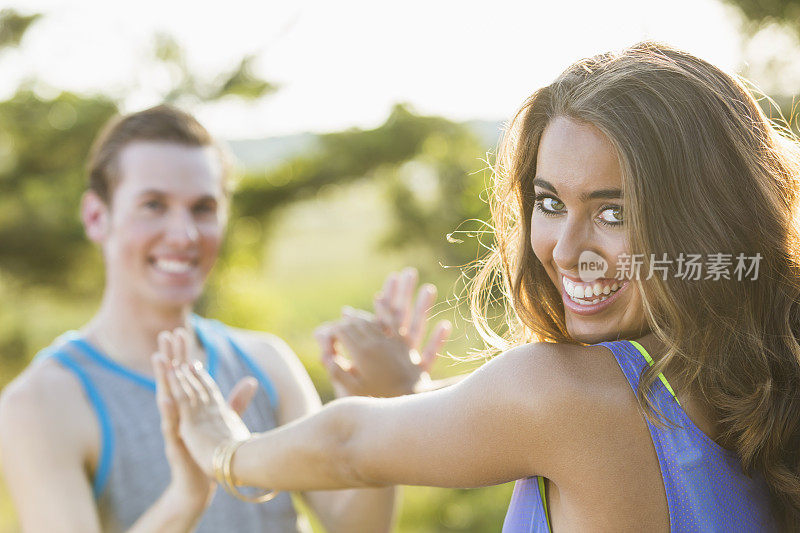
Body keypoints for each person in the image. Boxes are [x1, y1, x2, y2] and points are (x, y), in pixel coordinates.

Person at [153, 41, 800, 532]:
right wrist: (411, 396)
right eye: (549, 202)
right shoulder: (755, 380)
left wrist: (223, 448)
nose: (567, 250)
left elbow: (348, 445)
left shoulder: (566, 392)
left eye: (614, 212)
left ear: (707, 218)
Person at [0, 105, 449, 532]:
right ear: (97, 217)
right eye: (153, 205)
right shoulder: (40, 403)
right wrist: (186, 498)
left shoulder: (265, 362)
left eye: (203, 208)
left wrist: (381, 407)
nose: (184, 235)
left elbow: (356, 526)